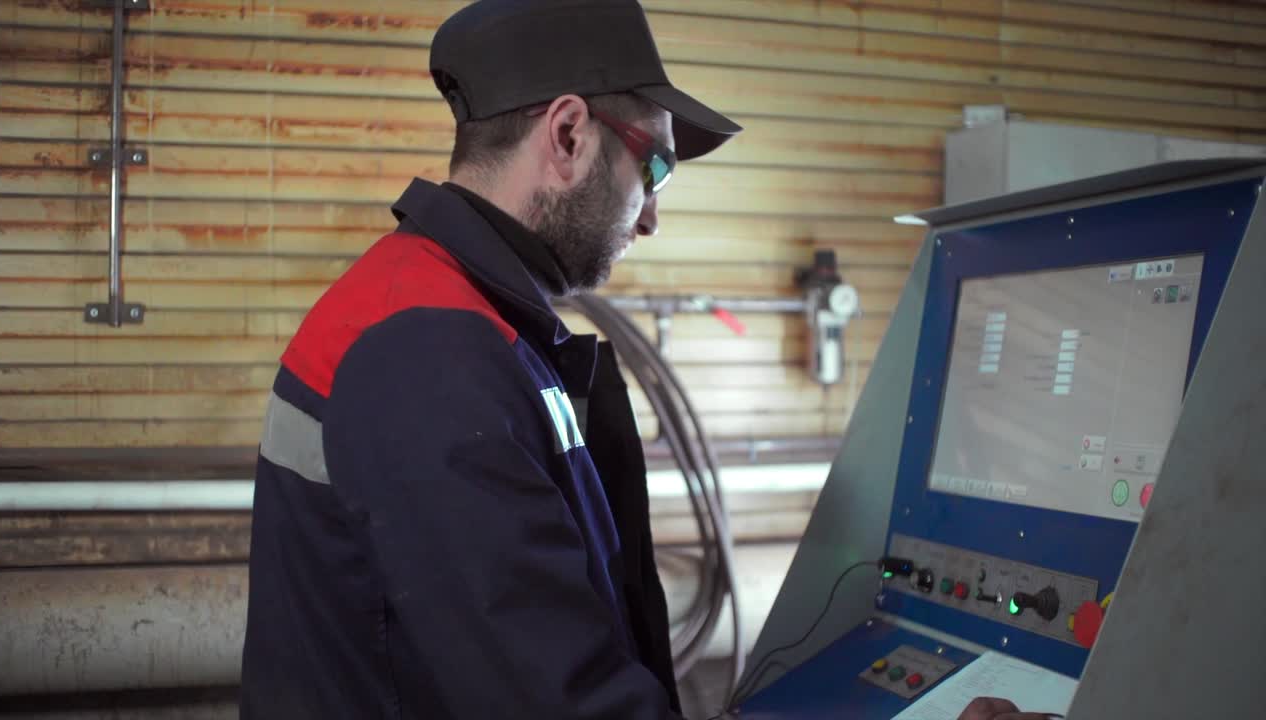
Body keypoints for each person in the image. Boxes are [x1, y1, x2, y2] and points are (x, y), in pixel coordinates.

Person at [240, 1, 1050, 718]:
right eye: (655, 166)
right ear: (567, 135)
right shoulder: (427, 351)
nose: (653, 214)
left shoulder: (464, 320)